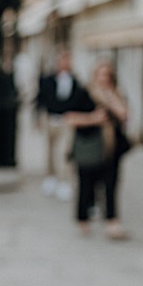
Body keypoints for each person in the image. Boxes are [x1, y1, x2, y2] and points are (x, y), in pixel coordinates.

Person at [67, 58, 130, 239]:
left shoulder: (115, 94)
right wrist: (92, 119)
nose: (105, 78)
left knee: (111, 185)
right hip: (89, 146)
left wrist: (109, 98)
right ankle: (83, 219)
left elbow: (125, 115)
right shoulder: (83, 93)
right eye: (101, 74)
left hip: (111, 149)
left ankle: (112, 222)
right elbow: (69, 118)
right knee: (86, 185)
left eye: (108, 75)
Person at [36, 49, 88, 200]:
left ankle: (64, 180)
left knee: (64, 152)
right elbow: (41, 99)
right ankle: (50, 177)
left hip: (67, 120)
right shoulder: (47, 80)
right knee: (50, 150)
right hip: (50, 118)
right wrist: (39, 119)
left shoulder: (75, 81)